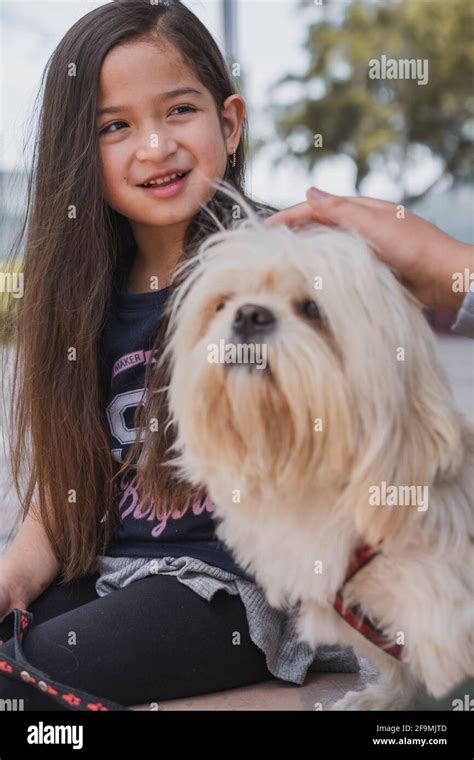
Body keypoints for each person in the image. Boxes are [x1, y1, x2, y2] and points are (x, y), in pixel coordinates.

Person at [0, 1, 358, 711]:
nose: (155, 146)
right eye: (116, 126)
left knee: (30, 680)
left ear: (229, 123)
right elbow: (61, 497)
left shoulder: (275, 279)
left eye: (179, 111)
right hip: (109, 569)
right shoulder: (84, 300)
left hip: (233, 590)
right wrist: (11, 577)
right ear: (80, 150)